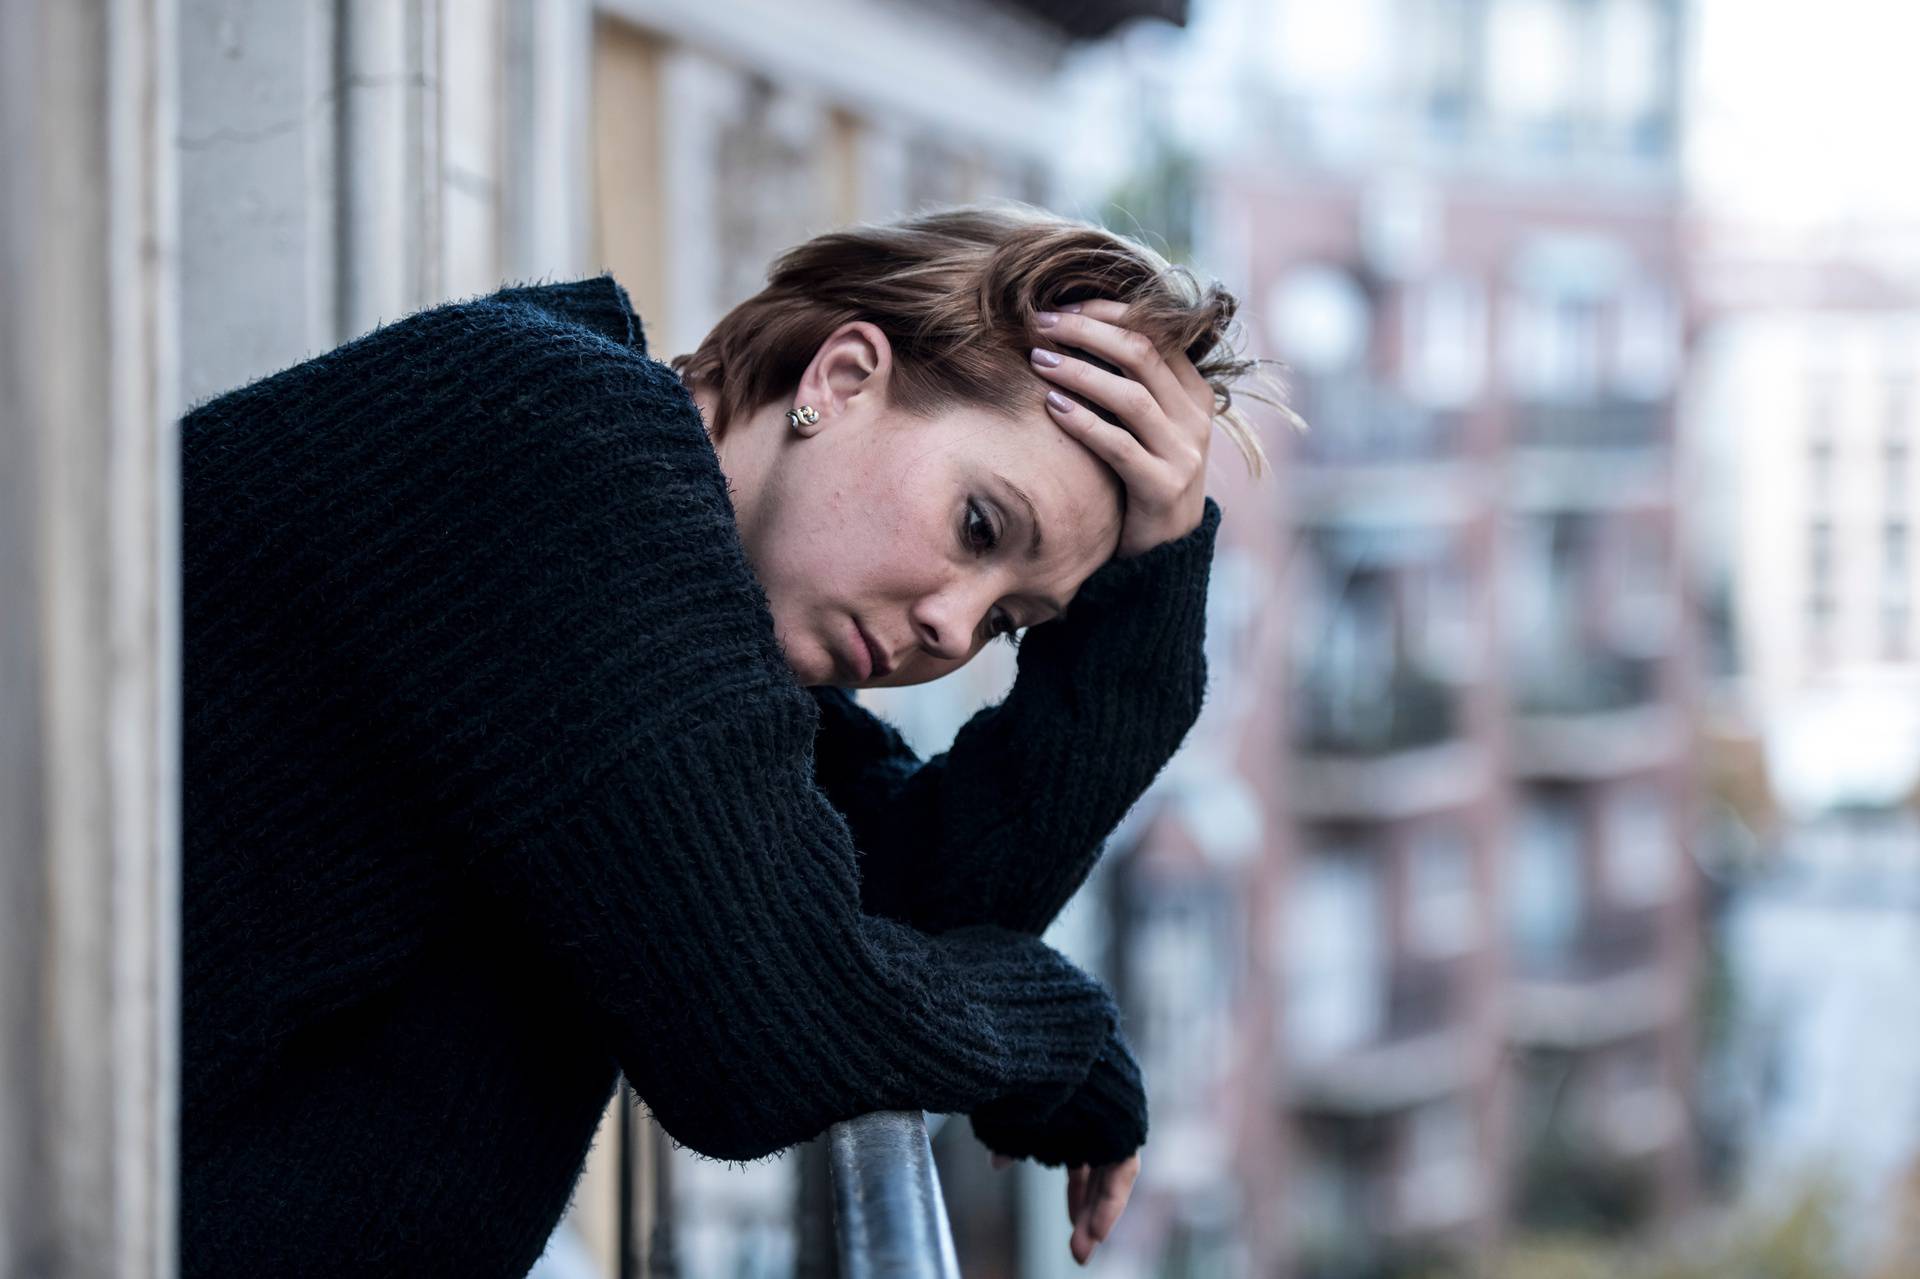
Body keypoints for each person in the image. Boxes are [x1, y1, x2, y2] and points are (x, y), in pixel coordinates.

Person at [177, 201, 1276, 1277]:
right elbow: (771, 1032)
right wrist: (1060, 1032)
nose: (953, 626)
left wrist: (1144, 598)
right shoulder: (564, 447)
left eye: (1007, 623)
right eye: (977, 527)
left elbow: (923, 906)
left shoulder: (682, 611)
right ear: (841, 380)